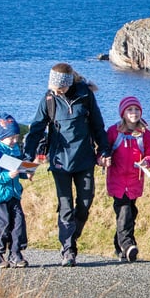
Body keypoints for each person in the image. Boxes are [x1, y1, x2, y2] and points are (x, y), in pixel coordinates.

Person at [24, 62, 109, 267]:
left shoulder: (85, 95)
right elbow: (36, 130)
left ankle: (72, 236)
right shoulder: (48, 99)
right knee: (65, 207)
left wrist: (104, 151)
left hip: (85, 159)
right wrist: (27, 162)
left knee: (85, 203)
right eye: (52, 86)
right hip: (59, 162)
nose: (54, 89)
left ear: (68, 83)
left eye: (58, 86)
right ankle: (68, 249)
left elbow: (98, 125)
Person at [104, 96, 150, 263]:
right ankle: (128, 246)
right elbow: (104, 150)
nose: (133, 113)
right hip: (117, 181)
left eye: (136, 109)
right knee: (125, 211)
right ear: (123, 113)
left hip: (135, 181)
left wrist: (146, 162)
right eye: (129, 110)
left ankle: (118, 246)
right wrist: (103, 158)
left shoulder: (145, 134)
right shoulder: (113, 132)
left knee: (130, 213)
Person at [0, 114, 31, 269]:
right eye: (11, 138)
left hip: (14, 193)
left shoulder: (14, 150)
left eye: (16, 137)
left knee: (18, 224)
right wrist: (7, 175)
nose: (14, 141)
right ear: (2, 137)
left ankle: (16, 254)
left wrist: (27, 172)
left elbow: (19, 169)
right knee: (0, 226)